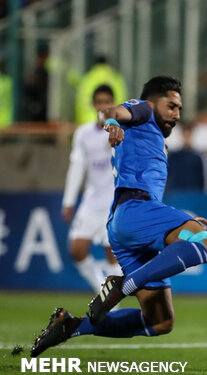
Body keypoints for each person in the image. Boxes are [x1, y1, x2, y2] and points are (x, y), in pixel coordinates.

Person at [31, 76, 207, 357]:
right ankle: (124, 285)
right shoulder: (141, 110)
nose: (177, 115)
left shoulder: (152, 136)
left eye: (179, 109)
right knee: (206, 244)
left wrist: (180, 218)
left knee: (161, 321)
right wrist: (114, 122)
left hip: (128, 223)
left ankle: (70, 326)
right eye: (171, 106)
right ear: (152, 102)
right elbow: (109, 112)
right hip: (134, 211)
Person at [62, 84, 122, 292]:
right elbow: (77, 167)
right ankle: (102, 290)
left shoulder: (122, 132)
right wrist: (69, 201)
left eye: (107, 101)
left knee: (112, 253)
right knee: (77, 249)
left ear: (113, 104)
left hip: (114, 202)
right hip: (91, 201)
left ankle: (113, 303)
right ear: (94, 105)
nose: (103, 106)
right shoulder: (83, 134)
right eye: (100, 102)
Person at [75, 56, 127, 125]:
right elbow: (121, 100)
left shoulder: (87, 78)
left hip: (87, 121)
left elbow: (80, 102)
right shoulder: (116, 78)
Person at [167, 121, 207, 192]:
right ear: (182, 135)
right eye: (185, 135)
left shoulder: (199, 157)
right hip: (176, 198)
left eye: (188, 135)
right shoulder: (173, 157)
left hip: (193, 198)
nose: (186, 138)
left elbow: (206, 181)